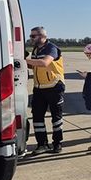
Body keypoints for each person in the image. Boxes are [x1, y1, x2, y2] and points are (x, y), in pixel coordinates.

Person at [26, 26, 65, 155]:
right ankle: (42, 144)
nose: (30, 38)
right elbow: (35, 65)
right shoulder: (36, 49)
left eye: (33, 36)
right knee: (37, 117)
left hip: (54, 86)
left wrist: (23, 60)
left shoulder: (51, 48)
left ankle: (57, 143)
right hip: (39, 87)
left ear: (42, 37)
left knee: (56, 117)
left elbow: (44, 63)